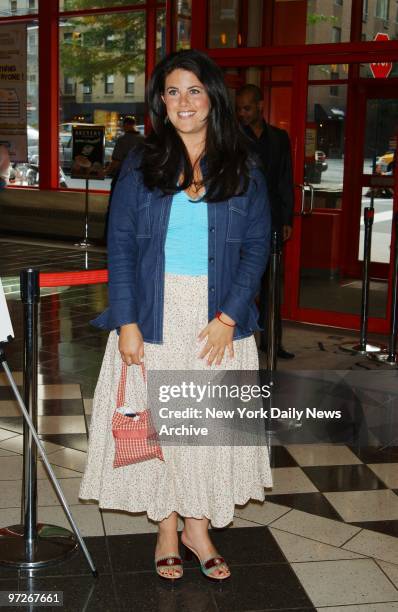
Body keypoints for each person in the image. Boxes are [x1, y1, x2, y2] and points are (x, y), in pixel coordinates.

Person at [79, 49, 272, 581]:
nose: (183, 101)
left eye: (194, 90)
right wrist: (128, 322)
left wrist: (230, 316)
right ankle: (167, 528)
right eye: (172, 92)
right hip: (154, 313)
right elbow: (119, 245)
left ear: (212, 96)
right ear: (160, 102)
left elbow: (257, 246)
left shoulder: (243, 162)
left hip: (217, 318)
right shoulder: (142, 162)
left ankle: (198, 526)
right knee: (159, 428)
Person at [236, 84, 295, 360]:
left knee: (272, 283)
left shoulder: (280, 138)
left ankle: (272, 341)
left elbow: (285, 179)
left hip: (271, 219)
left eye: (247, 107)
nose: (242, 113)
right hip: (241, 220)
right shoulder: (234, 137)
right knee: (242, 280)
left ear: (260, 105)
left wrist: (286, 218)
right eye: (239, 109)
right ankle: (238, 338)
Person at [103, 116, 143, 240]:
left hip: (123, 178)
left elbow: (116, 161)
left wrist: (105, 172)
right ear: (135, 124)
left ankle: (108, 236)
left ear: (125, 125)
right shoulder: (144, 140)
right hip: (141, 180)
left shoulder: (123, 140)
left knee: (114, 206)